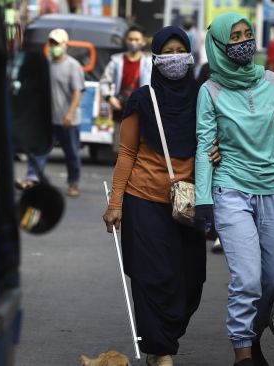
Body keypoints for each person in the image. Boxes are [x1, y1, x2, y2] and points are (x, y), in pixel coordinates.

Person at [102, 27, 219, 366]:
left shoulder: (204, 97)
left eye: (179, 50)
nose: (174, 57)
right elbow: (126, 152)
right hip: (143, 200)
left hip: (188, 203)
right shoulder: (142, 98)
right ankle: (160, 349)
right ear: (155, 57)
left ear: (191, 55)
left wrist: (216, 151)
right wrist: (115, 204)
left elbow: (218, 140)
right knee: (151, 277)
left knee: (191, 277)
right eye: (166, 51)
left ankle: (164, 337)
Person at [194, 13, 274, 366]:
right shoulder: (209, 91)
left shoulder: (272, 82)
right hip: (231, 190)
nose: (242, 42)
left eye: (247, 34)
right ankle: (242, 354)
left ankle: (253, 336)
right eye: (234, 37)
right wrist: (204, 199)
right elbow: (204, 145)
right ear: (220, 45)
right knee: (248, 279)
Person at [23, 28, 85, 197]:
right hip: (48, 119)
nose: (53, 46)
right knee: (39, 149)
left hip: (68, 121)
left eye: (56, 43)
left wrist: (69, 115)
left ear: (65, 45)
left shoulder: (73, 65)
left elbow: (78, 93)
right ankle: (32, 178)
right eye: (51, 43)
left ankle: (73, 183)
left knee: (71, 153)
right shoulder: (46, 64)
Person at [99, 25, 152, 154]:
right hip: (121, 113)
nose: (133, 42)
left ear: (143, 42)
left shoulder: (150, 63)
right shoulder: (116, 61)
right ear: (126, 40)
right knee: (120, 150)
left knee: (140, 151)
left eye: (137, 39)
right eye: (130, 39)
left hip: (143, 114)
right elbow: (104, 82)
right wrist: (109, 98)